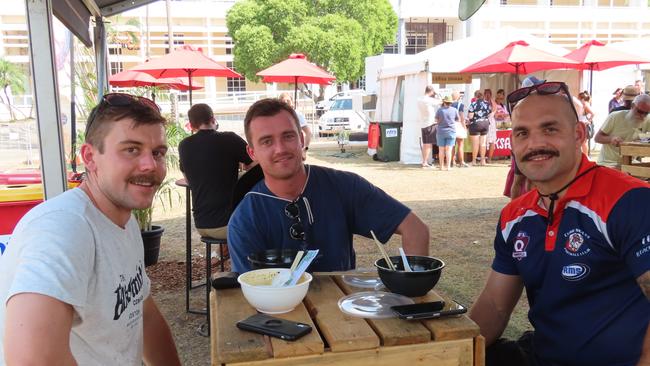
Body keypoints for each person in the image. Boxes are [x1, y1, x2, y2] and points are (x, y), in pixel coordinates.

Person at [470, 81, 650, 366]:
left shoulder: (629, 201)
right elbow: (495, 305)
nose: (535, 143)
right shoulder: (514, 217)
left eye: (550, 129)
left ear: (578, 134)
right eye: (522, 133)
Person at [0, 93, 181, 365]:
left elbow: (144, 314)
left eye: (158, 153)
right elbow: (32, 360)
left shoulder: (124, 221)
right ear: (90, 157)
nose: (150, 165)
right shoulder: (62, 229)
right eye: (131, 149)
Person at [227, 98, 430, 273]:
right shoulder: (245, 219)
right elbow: (249, 295)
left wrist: (411, 297)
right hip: (279, 315)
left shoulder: (344, 186)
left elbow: (416, 230)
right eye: (267, 141)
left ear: (301, 139)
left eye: (288, 136)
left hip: (345, 313)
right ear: (252, 153)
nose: (280, 149)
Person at [179, 103, 254, 239]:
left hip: (201, 224)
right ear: (213, 119)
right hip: (228, 223)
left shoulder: (184, 145)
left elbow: (189, 179)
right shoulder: (228, 138)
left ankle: (221, 255)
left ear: (191, 125)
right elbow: (256, 160)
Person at [595, 93, 650, 167]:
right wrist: (611, 139)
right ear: (633, 106)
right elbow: (597, 138)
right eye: (640, 111)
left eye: (646, 113)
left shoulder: (648, 120)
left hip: (631, 163)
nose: (642, 116)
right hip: (608, 163)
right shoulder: (615, 116)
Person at [417, 85, 440, 168]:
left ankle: (424, 161)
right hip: (430, 123)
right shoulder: (429, 100)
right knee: (428, 144)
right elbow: (440, 101)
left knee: (425, 144)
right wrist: (437, 95)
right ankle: (425, 162)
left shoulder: (419, 99)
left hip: (423, 123)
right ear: (431, 91)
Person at [467, 90, 492, 166]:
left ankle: (474, 161)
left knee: (475, 144)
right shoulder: (487, 104)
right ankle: (482, 161)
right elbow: (490, 114)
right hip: (485, 124)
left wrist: (469, 120)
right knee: (483, 143)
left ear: (475, 96)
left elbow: (470, 116)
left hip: (476, 124)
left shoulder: (473, 104)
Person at [435, 95, 459, 171]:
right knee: (449, 150)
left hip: (441, 131)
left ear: (444, 102)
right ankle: (448, 167)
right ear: (451, 103)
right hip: (451, 131)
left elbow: (436, 120)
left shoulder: (440, 110)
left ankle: (441, 166)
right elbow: (458, 120)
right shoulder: (454, 110)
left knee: (441, 150)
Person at [451, 90, 468, 167]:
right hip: (458, 124)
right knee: (460, 144)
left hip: (450, 125)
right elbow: (462, 117)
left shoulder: (448, 104)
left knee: (452, 144)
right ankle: (461, 161)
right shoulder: (460, 105)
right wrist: (464, 127)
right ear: (458, 97)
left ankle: (452, 161)